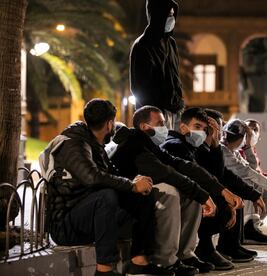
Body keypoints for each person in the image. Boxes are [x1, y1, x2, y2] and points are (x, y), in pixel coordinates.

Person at [39, 99, 170, 276]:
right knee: (106, 196)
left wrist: (136, 183)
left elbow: (110, 174)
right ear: (109, 124)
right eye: (114, 122)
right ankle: (104, 269)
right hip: (66, 226)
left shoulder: (93, 142)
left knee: (144, 193)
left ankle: (139, 261)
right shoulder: (74, 144)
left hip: (90, 216)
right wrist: (131, 186)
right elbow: (92, 178)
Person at [110, 106, 240, 274]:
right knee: (170, 191)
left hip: (142, 194)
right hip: (125, 202)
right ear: (144, 126)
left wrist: (220, 190)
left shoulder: (150, 145)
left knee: (190, 194)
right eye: (160, 123)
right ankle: (165, 260)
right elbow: (165, 172)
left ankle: (184, 254)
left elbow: (181, 165)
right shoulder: (134, 145)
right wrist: (203, 195)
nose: (164, 128)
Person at [194, 109, 267, 266]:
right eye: (218, 129)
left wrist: (253, 195)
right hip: (196, 195)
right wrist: (225, 196)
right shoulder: (196, 148)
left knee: (236, 197)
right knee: (228, 201)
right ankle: (206, 249)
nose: (221, 134)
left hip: (204, 190)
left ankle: (231, 246)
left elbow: (224, 174)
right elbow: (211, 177)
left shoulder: (211, 149)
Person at [220, 119, 267, 245]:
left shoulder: (233, 151)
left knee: (254, 185)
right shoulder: (225, 152)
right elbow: (251, 174)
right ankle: (247, 228)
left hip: (227, 189)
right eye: (249, 133)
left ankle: (250, 226)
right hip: (222, 192)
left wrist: (247, 148)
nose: (251, 135)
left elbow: (252, 169)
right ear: (243, 137)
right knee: (250, 185)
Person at [130, 0, 184, 129]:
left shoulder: (171, 43)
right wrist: (155, 113)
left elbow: (175, 77)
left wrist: (178, 102)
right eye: (167, 15)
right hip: (153, 117)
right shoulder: (142, 45)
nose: (171, 18)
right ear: (157, 15)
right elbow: (139, 87)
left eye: (172, 14)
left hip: (173, 112)